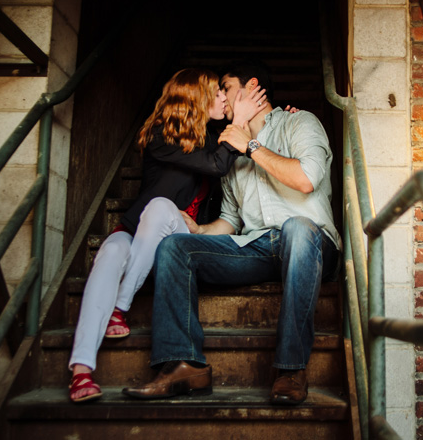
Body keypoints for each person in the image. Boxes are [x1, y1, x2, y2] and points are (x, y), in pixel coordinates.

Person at [122, 59, 341, 405]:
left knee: (298, 228)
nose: (220, 97)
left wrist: (251, 147)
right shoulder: (229, 154)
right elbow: (230, 220)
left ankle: (290, 369)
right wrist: (198, 229)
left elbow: (306, 179)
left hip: (311, 244)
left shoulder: (299, 122)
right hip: (259, 248)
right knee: (176, 248)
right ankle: (183, 365)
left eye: (224, 87)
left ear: (251, 87)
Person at [68, 68, 266, 402]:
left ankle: (120, 304)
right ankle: (81, 372)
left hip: (177, 240)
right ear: (196, 98)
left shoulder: (216, 138)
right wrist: (239, 126)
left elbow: (230, 155)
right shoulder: (161, 137)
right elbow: (216, 163)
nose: (223, 97)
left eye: (223, 92)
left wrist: (256, 120)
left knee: (162, 209)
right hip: (135, 233)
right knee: (111, 252)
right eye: (216, 93)